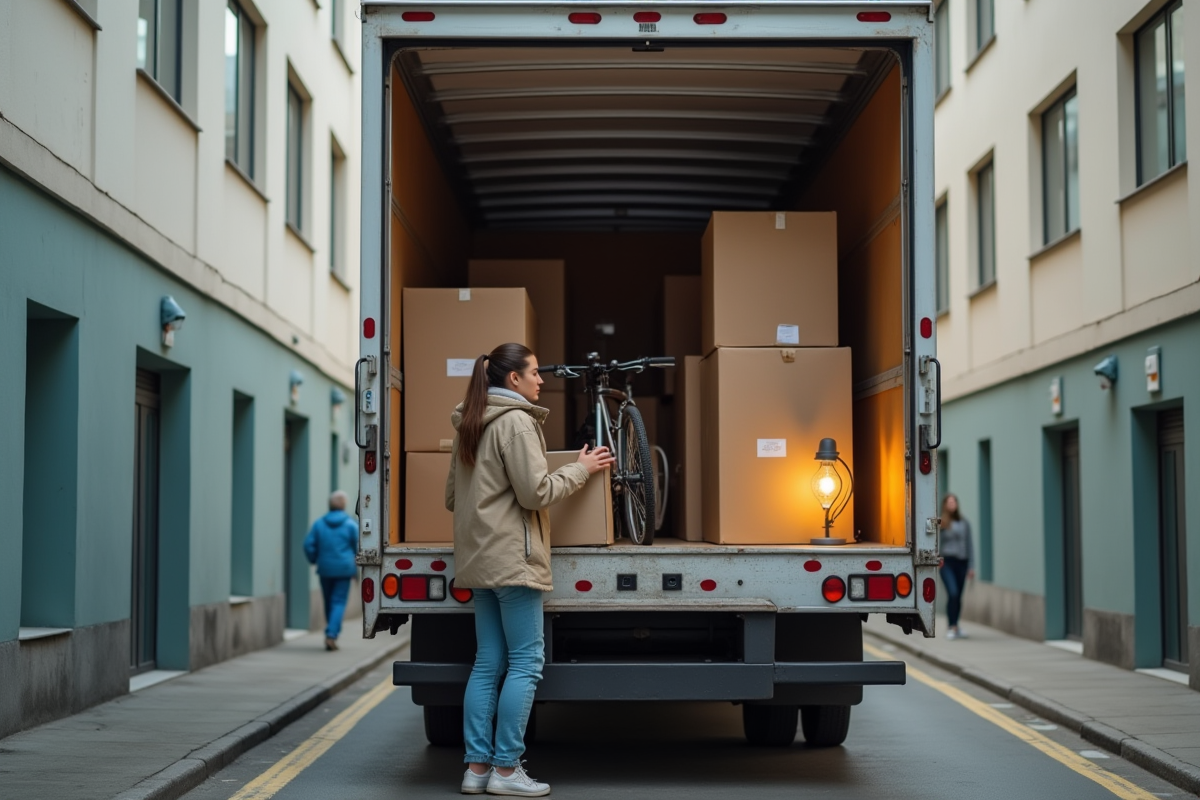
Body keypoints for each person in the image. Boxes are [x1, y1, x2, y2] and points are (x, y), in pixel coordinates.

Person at [446, 343, 614, 797]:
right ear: (513, 379)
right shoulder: (517, 423)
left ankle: (476, 769)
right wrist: (580, 469)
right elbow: (535, 492)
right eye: (535, 372)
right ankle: (505, 771)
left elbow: (451, 499)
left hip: (479, 560)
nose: (542, 380)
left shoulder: (470, 423)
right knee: (526, 662)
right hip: (513, 561)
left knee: (487, 664)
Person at [303, 490, 359, 651]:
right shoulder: (350, 525)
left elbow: (308, 545)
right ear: (344, 506)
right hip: (344, 570)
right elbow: (358, 547)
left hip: (325, 569)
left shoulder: (319, 524)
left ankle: (330, 632)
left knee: (329, 601)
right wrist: (356, 566)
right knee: (339, 602)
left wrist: (315, 559)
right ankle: (332, 634)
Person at [939, 493, 974, 640]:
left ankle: (956, 625)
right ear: (945, 505)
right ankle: (950, 626)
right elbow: (936, 543)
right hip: (947, 563)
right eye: (949, 502)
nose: (952, 504)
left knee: (958, 596)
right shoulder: (941, 523)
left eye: (954, 502)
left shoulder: (964, 522)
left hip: (962, 563)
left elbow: (970, 545)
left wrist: (971, 566)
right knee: (952, 593)